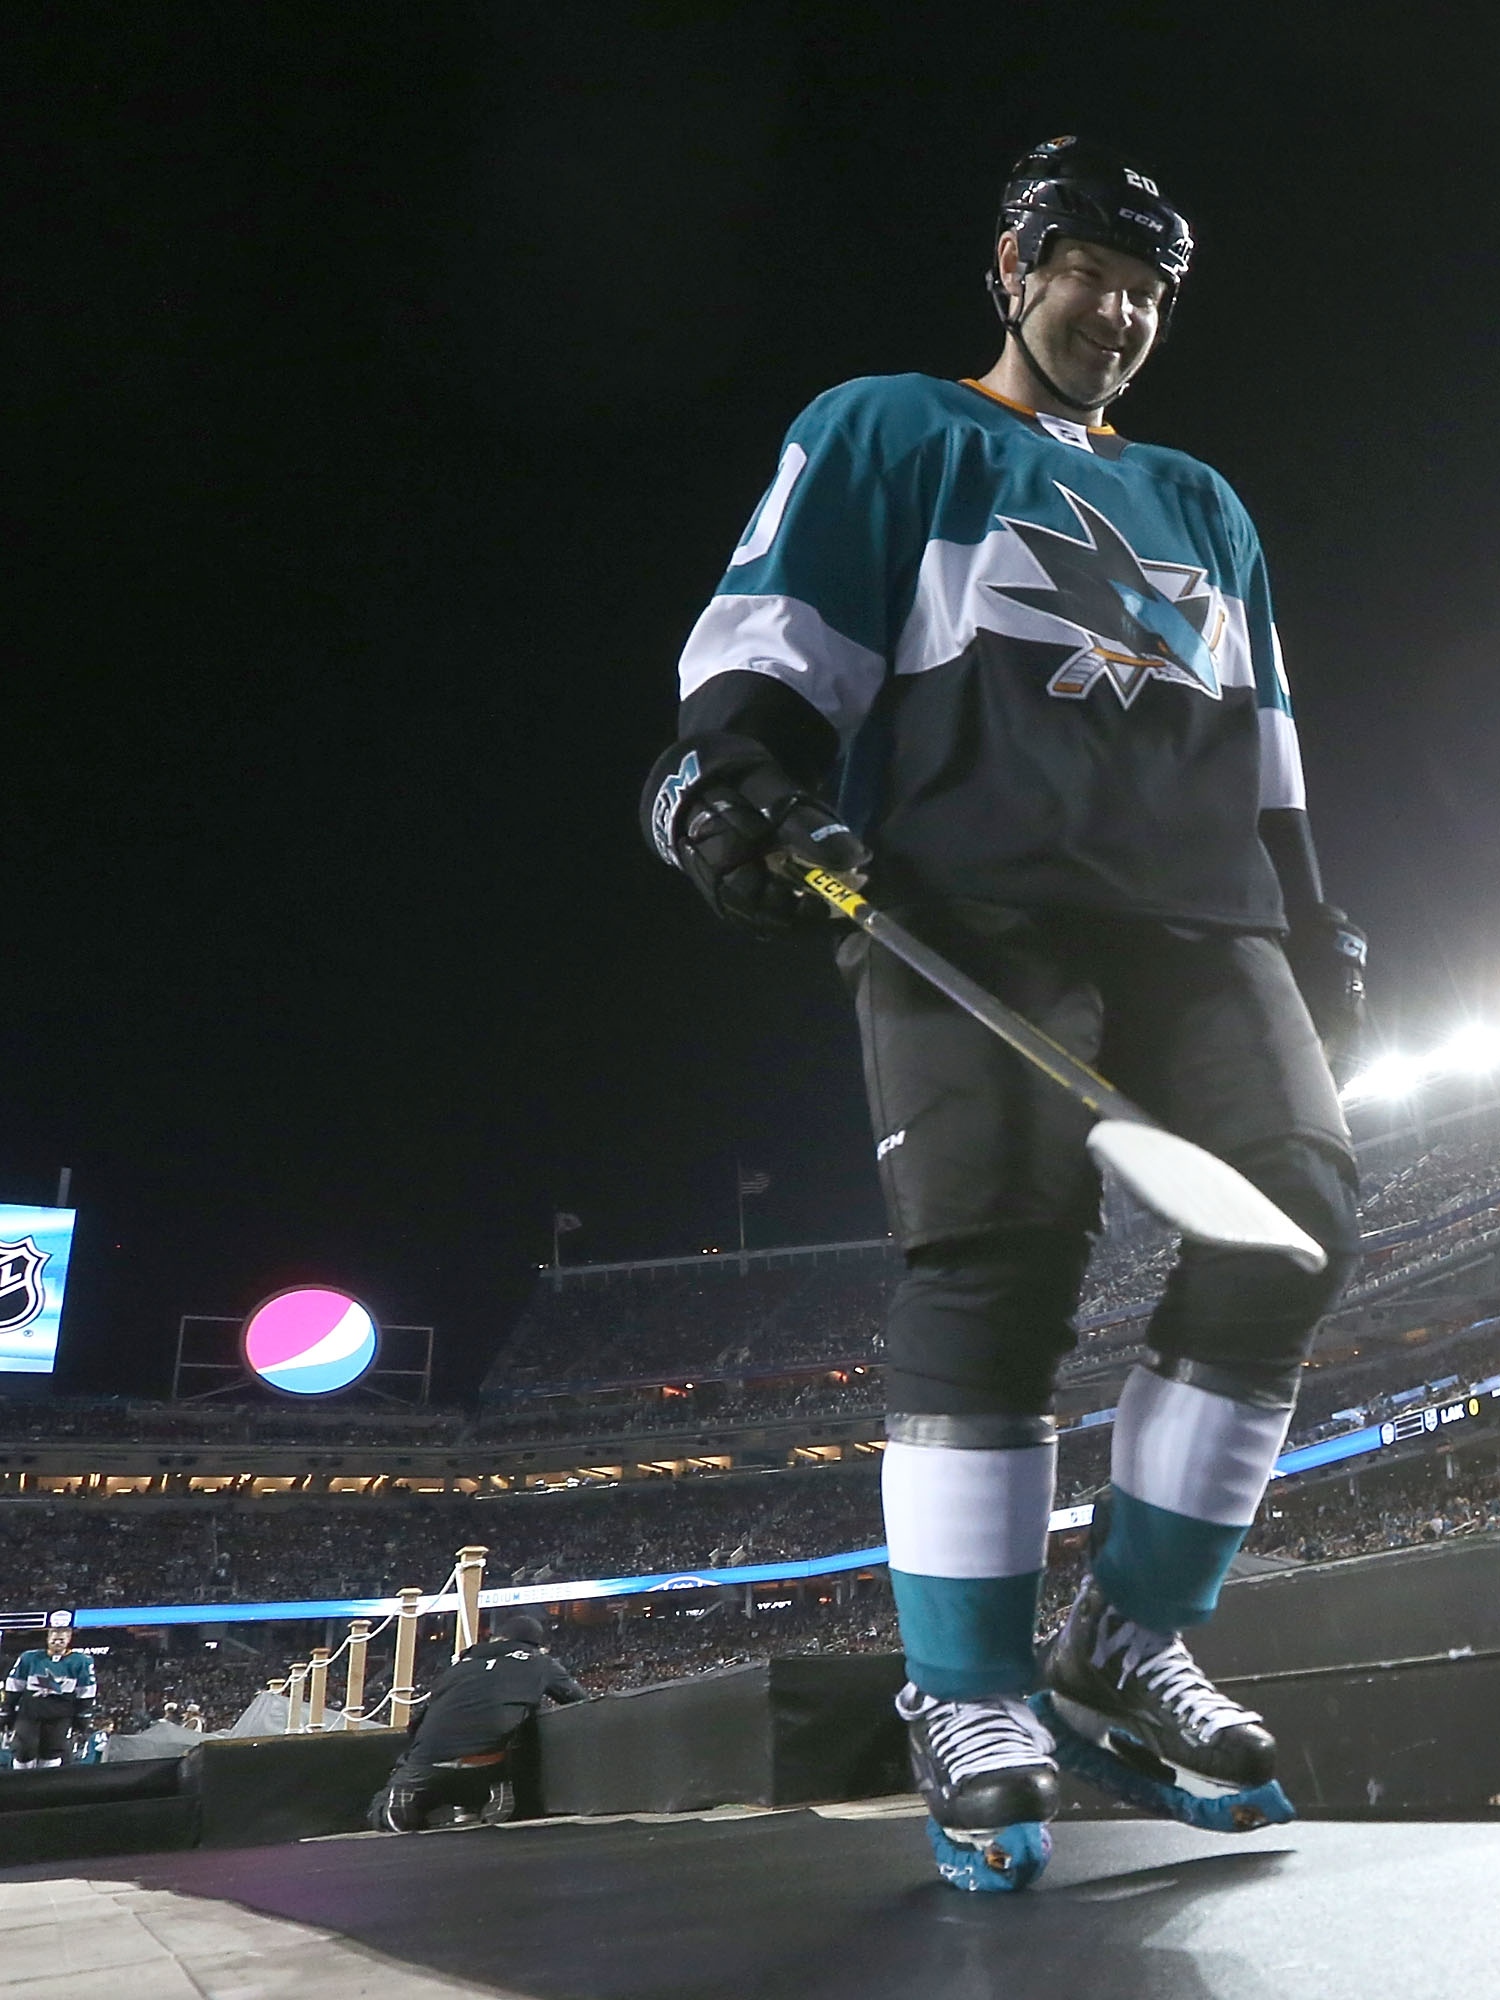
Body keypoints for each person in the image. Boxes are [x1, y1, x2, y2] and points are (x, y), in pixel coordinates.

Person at [638, 137, 1365, 1861]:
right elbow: (775, 647)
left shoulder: (1206, 502)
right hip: (966, 909)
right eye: (1088, 270)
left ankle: (1124, 1632)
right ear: (1013, 267)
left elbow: (1269, 750)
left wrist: (1320, 923)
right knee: (999, 1253)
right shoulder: (893, 426)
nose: (1116, 310)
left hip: (1201, 920)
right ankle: (966, 1688)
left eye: (1147, 289)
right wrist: (733, 780)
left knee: (1297, 1220)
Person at [367, 1616, 583, 1831]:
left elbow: (417, 1722)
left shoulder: (456, 1668)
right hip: (490, 1763)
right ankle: (500, 1793)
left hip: (430, 1761)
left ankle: (399, 1804)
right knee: (522, 1721)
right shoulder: (540, 1662)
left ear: (497, 1638)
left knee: (389, 1798)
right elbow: (579, 1701)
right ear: (536, 1644)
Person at [4, 1612, 97, 1768]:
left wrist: (83, 1714)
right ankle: (19, 1785)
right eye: (54, 1636)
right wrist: (7, 1707)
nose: (57, 1641)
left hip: (60, 1715)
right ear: (47, 1638)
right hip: (30, 1713)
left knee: (51, 1752)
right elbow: (14, 1685)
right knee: (23, 1751)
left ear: (69, 1639)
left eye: (62, 1637)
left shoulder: (81, 1661)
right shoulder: (29, 1658)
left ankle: (44, 1787)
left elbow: (86, 1690)